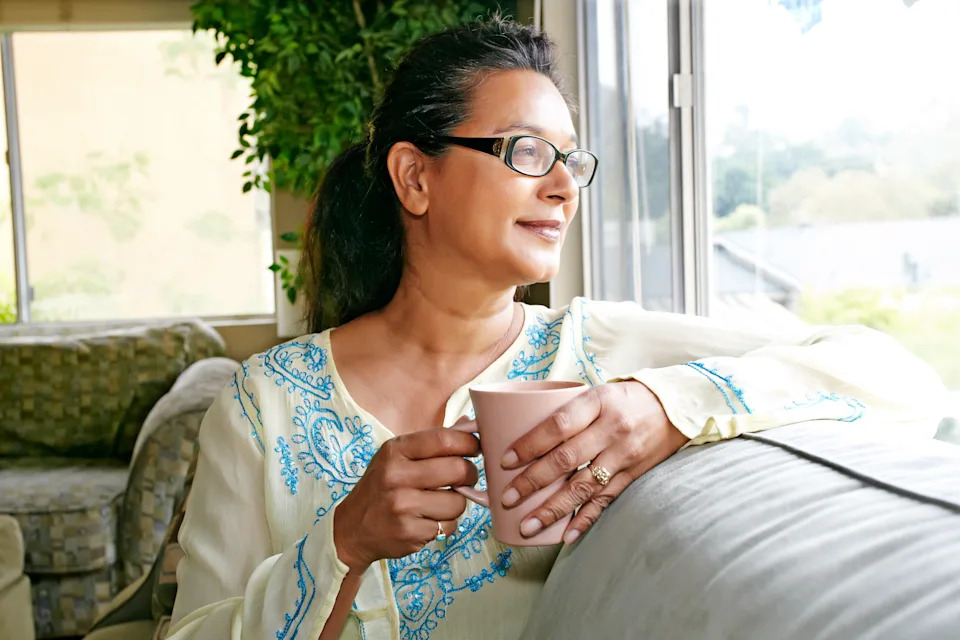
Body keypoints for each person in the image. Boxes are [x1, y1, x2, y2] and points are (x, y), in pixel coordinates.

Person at [166, 16, 945, 640]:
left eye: (572, 161)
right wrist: (343, 542)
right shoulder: (263, 402)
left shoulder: (599, 348)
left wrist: (662, 408)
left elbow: (899, 379)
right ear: (415, 176)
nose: (565, 188)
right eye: (529, 152)